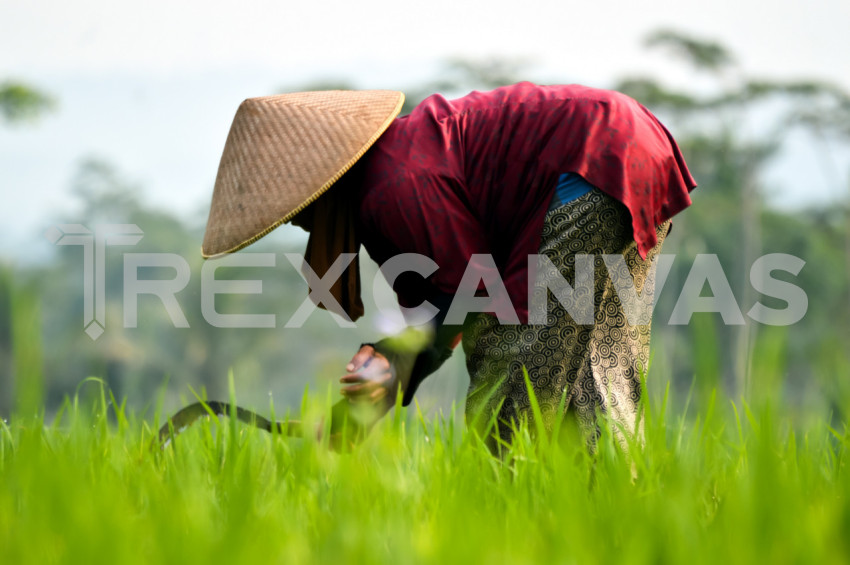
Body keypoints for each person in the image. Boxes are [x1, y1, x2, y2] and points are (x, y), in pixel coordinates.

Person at [201, 82, 697, 452]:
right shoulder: (396, 162)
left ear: (326, 186)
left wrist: (384, 369)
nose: (303, 223)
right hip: (628, 150)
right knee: (598, 375)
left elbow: (468, 298)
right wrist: (374, 386)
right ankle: (616, 523)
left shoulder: (393, 186)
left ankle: (505, 521)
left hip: (587, 169)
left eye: (300, 211)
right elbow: (443, 313)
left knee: (509, 372)